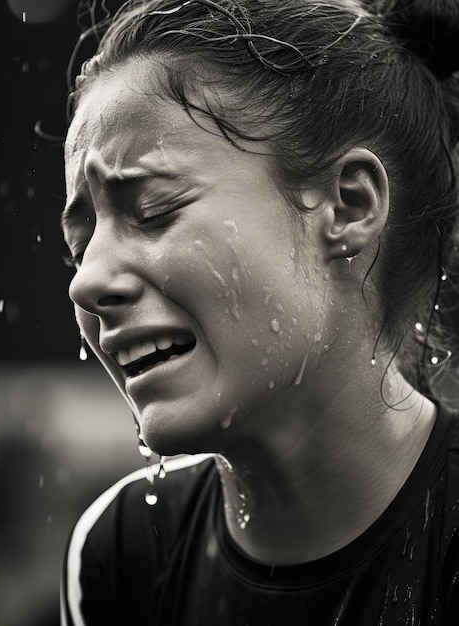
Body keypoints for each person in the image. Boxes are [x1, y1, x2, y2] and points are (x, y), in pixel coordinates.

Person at [59, 0, 459, 624]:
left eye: (155, 209)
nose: (87, 281)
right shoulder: (120, 553)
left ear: (347, 207)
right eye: (80, 244)